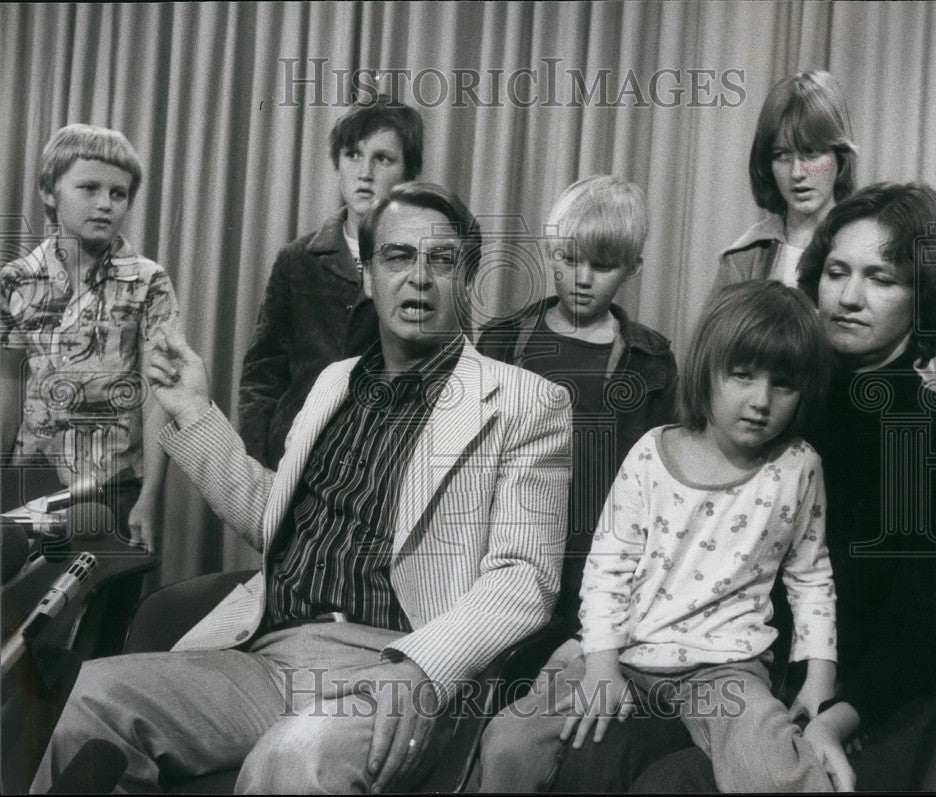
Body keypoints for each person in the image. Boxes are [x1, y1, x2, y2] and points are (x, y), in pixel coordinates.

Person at [31, 183, 572, 793]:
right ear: (368, 276)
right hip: (271, 656)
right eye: (397, 257)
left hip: (398, 665)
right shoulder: (333, 384)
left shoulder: (527, 403)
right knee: (86, 701)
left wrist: (422, 666)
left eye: (440, 260)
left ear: (465, 279)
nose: (418, 278)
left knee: (294, 758)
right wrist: (195, 413)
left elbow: (524, 577)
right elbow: (274, 521)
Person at [597, 183, 936, 793]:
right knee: (593, 752)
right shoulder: (776, 403)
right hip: (725, 670)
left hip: (863, 705)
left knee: (669, 785)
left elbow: (912, 643)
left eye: (882, 278)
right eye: (837, 271)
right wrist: (594, 643)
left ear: (925, 298)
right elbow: (656, 543)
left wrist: (831, 722)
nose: (850, 296)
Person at [477, 280, 844, 792]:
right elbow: (607, 566)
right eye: (742, 376)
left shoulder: (799, 467)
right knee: (509, 742)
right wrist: (601, 666)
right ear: (707, 371)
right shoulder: (652, 453)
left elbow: (811, 577)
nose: (761, 400)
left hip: (726, 669)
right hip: (626, 653)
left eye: (783, 384)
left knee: (773, 771)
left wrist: (819, 676)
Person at [477, 175, 677, 620]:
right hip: (502, 556)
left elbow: (661, 488)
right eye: (569, 259)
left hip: (597, 567)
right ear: (550, 251)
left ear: (634, 268)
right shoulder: (501, 342)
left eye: (602, 266)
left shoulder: (652, 361)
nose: (581, 279)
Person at [0, 123, 178, 547]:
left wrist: (149, 498)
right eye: (90, 189)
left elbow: (159, 397)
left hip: (116, 485)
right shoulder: (15, 281)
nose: (105, 205)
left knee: (106, 608)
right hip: (33, 479)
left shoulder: (148, 281)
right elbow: (7, 381)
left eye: (118, 194)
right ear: (50, 192)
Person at [238, 95, 423, 468]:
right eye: (353, 155)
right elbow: (262, 374)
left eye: (382, 158)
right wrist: (257, 464)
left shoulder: (427, 261)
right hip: (297, 458)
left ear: (409, 173)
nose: (364, 173)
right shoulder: (299, 259)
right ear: (337, 164)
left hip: (383, 462)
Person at [713, 70, 856, 290]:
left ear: (840, 156)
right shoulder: (744, 258)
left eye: (811, 153)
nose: (797, 172)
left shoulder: (865, 248)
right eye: (782, 155)